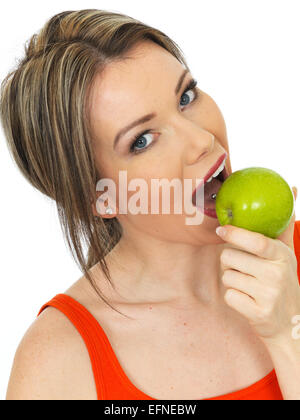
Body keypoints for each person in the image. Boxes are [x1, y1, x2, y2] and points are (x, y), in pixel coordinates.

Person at [1, 9, 300, 400]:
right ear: (98, 197)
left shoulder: (292, 257)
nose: (201, 141)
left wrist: (289, 331)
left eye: (186, 97)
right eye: (142, 140)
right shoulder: (60, 361)